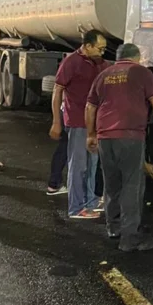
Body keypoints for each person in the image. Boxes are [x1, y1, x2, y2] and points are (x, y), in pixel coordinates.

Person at [85, 43, 153, 251]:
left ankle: (114, 228)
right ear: (137, 57)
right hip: (130, 136)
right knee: (131, 186)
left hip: (105, 137)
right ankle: (130, 238)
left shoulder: (104, 75)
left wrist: (91, 134)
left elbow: (90, 107)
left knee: (112, 183)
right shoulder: (140, 72)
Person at [48, 30, 110, 217]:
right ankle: (76, 207)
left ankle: (90, 202)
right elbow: (57, 91)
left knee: (92, 164)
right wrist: (56, 122)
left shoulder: (99, 63)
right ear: (88, 46)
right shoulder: (71, 62)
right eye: (100, 48)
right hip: (77, 121)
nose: (102, 52)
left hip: (95, 123)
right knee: (79, 166)